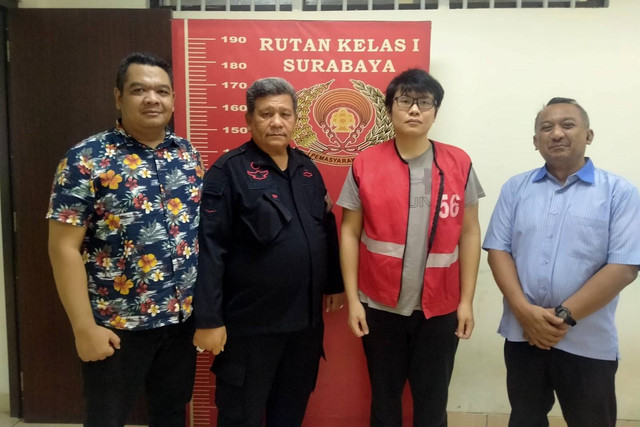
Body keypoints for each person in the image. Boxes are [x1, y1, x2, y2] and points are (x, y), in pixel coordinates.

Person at [47, 52, 204, 426]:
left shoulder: (188, 155)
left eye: (162, 91)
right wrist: (84, 328)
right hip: (116, 326)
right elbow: (63, 247)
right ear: (118, 97)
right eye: (139, 90)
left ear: (173, 99)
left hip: (180, 322)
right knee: (107, 418)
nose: (152, 98)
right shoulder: (86, 158)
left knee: (170, 414)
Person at [193, 77, 345, 427]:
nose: (277, 121)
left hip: (303, 328)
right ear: (249, 120)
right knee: (240, 416)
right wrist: (209, 319)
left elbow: (325, 228)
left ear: (295, 120)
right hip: (250, 330)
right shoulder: (227, 171)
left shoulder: (307, 169)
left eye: (284, 114)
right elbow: (210, 249)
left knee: (289, 414)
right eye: (266, 114)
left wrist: (334, 283)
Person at [338, 68, 484, 427]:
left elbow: (470, 233)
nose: (415, 110)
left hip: (441, 308)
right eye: (405, 101)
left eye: (425, 102)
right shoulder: (365, 164)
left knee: (432, 403)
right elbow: (349, 232)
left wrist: (466, 301)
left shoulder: (458, 163)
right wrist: (354, 300)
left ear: (436, 111)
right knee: (385, 400)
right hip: (380, 306)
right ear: (390, 109)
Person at [483, 97, 640, 427]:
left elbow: (624, 267)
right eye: (546, 127)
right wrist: (525, 313)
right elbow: (498, 251)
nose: (556, 133)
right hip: (522, 333)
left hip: (587, 340)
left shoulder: (620, 193)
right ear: (535, 141)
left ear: (589, 134)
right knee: (525, 418)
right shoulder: (515, 189)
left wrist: (563, 317)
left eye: (567, 125)